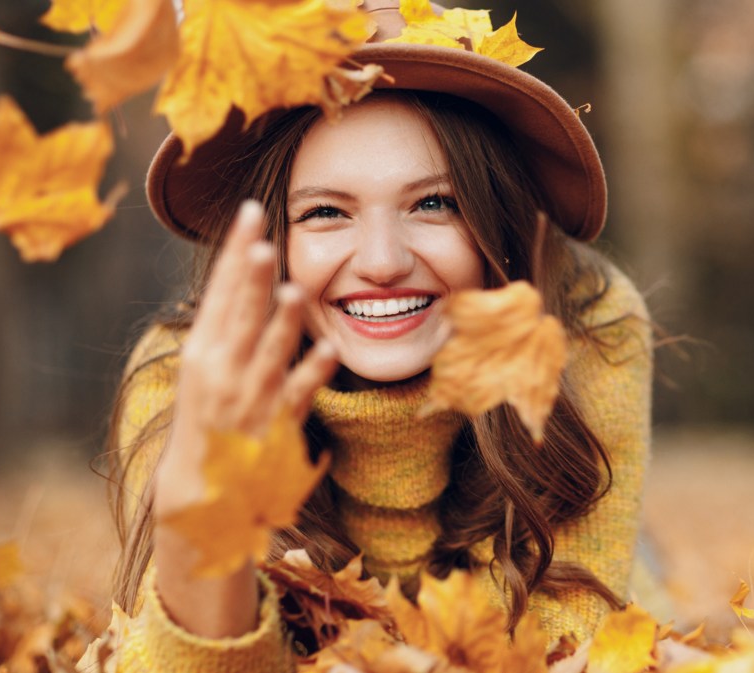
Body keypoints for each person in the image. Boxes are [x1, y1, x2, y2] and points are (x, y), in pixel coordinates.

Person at [106, 0, 653, 668]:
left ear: (495, 220)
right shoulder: (184, 372)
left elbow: (568, 642)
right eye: (326, 211)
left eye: (433, 203)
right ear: (270, 240)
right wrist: (208, 547)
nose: (383, 261)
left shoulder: (583, 326)